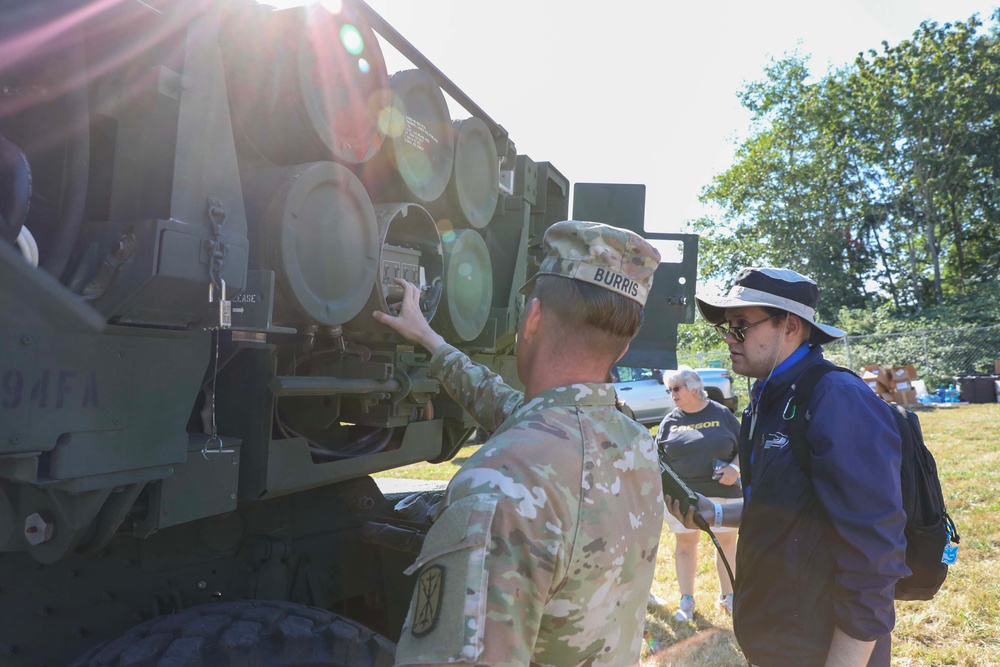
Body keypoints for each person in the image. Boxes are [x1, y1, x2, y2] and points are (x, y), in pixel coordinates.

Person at [378, 220, 665, 666]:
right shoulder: (634, 444)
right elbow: (516, 409)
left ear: (532, 318)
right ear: (623, 348)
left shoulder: (500, 484)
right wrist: (430, 341)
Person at [665, 267, 908, 667]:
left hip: (821, 643)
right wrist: (718, 512)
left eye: (741, 326)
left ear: (790, 326)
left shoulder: (837, 399)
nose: (728, 337)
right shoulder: (766, 398)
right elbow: (785, 507)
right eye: (727, 327)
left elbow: (874, 551)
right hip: (779, 633)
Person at [651, 367, 740, 621]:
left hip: (722, 492)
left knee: (726, 542)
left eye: (676, 388)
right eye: (669, 390)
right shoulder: (669, 421)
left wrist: (735, 467)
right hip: (685, 496)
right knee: (686, 544)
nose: (672, 394)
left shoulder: (722, 414)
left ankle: (728, 597)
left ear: (693, 387)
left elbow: (745, 445)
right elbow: (659, 460)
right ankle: (687, 601)